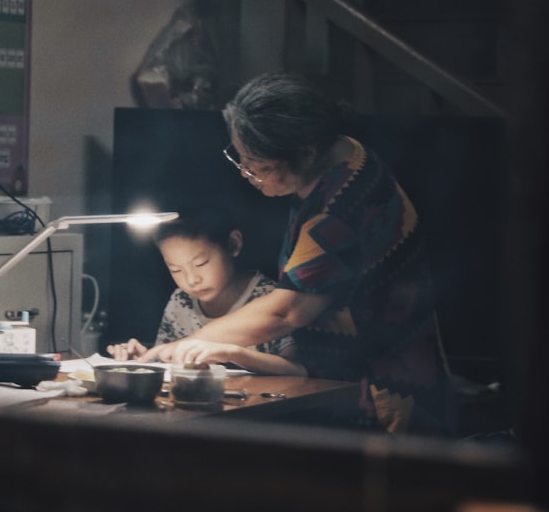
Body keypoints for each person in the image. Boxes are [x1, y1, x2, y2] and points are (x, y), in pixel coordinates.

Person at [140, 72, 455, 436]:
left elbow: (288, 310)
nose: (247, 174)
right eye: (240, 159)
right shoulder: (339, 153)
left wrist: (179, 347)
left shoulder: (343, 207)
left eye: (259, 166)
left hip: (386, 395)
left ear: (304, 153)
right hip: (347, 382)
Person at [107, 212, 305, 376]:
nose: (191, 279)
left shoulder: (270, 299)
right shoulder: (181, 301)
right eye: (175, 269)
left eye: (201, 264)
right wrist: (145, 361)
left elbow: (298, 370)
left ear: (233, 245)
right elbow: (170, 358)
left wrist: (233, 353)